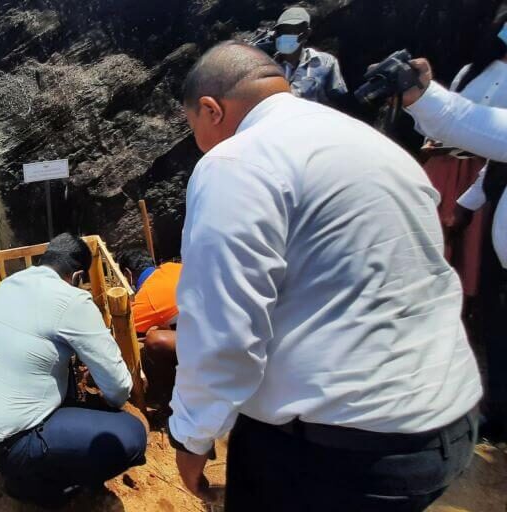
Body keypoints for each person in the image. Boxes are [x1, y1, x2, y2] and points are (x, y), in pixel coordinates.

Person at [171, 41, 481, 511]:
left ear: (210, 109)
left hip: (340, 450)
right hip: (444, 422)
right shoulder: (374, 144)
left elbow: (222, 329)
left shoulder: (236, 161)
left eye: (192, 124)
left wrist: (192, 437)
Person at [0, 233, 146, 508]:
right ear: (77, 276)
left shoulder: (8, 285)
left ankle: (16, 457)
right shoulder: (72, 299)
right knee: (130, 435)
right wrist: (108, 406)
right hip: (10, 442)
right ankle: (34, 485)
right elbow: (119, 388)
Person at [402, 53, 507, 442]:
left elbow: (484, 130)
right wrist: (466, 204)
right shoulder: (475, 70)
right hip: (460, 179)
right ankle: (495, 413)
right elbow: (495, 160)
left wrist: (426, 96)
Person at [420, 6, 507, 300]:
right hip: (444, 165)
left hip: (483, 169)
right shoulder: (473, 71)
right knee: (431, 231)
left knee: (471, 247)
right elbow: (450, 111)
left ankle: (464, 303)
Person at [114, 248, 182, 403]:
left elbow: (123, 333)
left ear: (127, 275)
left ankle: (172, 401)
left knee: (153, 338)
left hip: (220, 345)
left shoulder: (146, 299)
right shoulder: (173, 267)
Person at [270, 7, 347, 107]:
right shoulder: (268, 67)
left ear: (306, 34)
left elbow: (338, 101)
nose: (285, 36)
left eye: (292, 31)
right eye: (282, 31)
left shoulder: (326, 62)